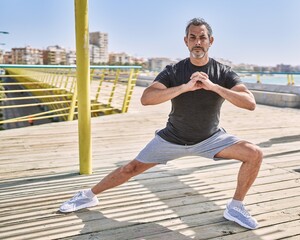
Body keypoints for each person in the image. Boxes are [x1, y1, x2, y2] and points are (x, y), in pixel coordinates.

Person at [59, 18, 263, 230]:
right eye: (193, 37)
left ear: (210, 41)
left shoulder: (224, 72)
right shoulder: (174, 70)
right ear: (186, 41)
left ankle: (235, 206)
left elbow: (250, 104)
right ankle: (88, 196)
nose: (198, 42)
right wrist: (185, 87)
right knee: (130, 168)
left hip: (210, 138)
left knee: (254, 153)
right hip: (172, 138)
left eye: (202, 37)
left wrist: (214, 87)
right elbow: (147, 98)